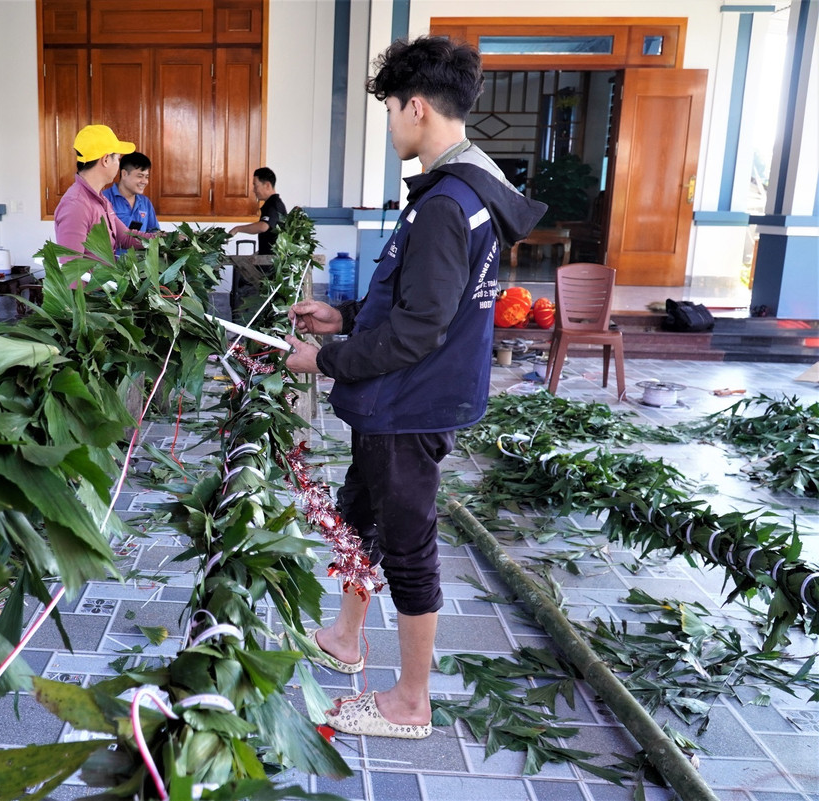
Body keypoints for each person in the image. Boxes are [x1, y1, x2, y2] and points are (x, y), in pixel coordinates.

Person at [284, 36, 545, 740]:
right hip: (399, 398)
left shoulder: (444, 205)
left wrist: (324, 357)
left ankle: (411, 699)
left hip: (408, 401)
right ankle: (346, 636)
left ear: (417, 107)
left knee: (407, 544)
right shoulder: (462, 194)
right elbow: (424, 306)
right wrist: (342, 316)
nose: (391, 125)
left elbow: (418, 332)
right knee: (357, 513)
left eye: (392, 111)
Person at [54, 125, 152, 260]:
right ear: (106, 160)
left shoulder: (101, 200)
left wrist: (169, 238)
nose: (118, 164)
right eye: (117, 159)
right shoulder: (76, 205)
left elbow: (125, 237)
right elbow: (71, 271)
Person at [228, 167, 287, 318]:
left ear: (267, 185)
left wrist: (238, 228)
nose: (254, 189)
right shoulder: (272, 204)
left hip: (271, 263)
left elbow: (263, 226)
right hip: (267, 260)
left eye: (255, 185)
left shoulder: (273, 204)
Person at [102, 151, 160, 243]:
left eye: (147, 177)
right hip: (112, 257)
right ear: (124, 174)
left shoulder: (145, 202)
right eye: (140, 176)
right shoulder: (104, 199)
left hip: (140, 257)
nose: (144, 181)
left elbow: (154, 232)